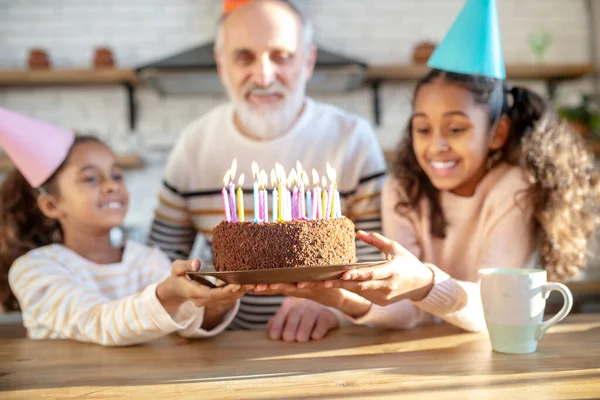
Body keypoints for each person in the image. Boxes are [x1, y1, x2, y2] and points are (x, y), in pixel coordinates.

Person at [253, 0, 600, 332]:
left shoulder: (513, 189)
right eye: (422, 128)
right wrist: (338, 298)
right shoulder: (403, 191)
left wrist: (425, 284)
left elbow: (497, 309)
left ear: (498, 132)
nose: (437, 145)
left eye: (456, 128)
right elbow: (404, 312)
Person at [147, 0, 387, 341]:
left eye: (282, 56)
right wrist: (202, 307)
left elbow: (378, 264)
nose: (263, 76)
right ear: (221, 65)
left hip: (332, 346)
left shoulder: (351, 140)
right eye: (243, 57)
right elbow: (160, 263)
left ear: (308, 62)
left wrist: (332, 306)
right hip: (221, 349)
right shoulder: (194, 145)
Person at [0, 108, 249, 345]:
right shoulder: (34, 270)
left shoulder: (146, 260)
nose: (112, 186)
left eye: (117, 175)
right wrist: (166, 295)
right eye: (91, 178)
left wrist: (216, 303)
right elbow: (98, 322)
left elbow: (184, 322)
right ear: (51, 206)